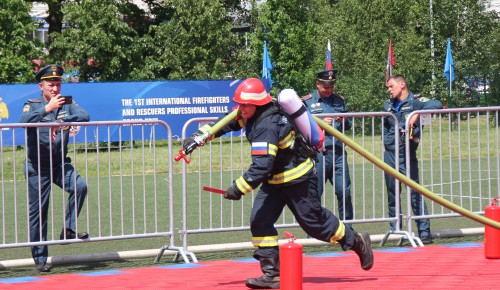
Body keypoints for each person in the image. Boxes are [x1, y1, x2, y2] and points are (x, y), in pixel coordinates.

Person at [182, 78, 373, 289]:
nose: (240, 109)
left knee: (314, 223)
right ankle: (272, 274)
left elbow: (261, 166)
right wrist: (198, 137)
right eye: (240, 104)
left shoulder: (267, 125)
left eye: (244, 104)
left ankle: (356, 241)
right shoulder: (251, 113)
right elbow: (226, 122)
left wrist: (238, 188)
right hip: (275, 180)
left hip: (298, 179)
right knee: (260, 221)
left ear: (257, 103)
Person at [19, 64, 90, 272]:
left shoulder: (67, 103)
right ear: (41, 86)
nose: (56, 88)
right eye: (51, 84)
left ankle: (68, 229)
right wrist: (46, 111)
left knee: (80, 186)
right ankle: (40, 259)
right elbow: (23, 121)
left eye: (58, 83)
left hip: (60, 164)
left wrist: (59, 120)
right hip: (37, 166)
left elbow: (85, 116)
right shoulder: (32, 105)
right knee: (39, 212)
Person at [383, 74, 443, 245]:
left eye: (391, 86)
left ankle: (424, 231)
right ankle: (396, 231)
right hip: (390, 153)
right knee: (392, 193)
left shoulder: (416, 101)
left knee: (414, 191)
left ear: (402, 85)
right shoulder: (388, 105)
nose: (389, 90)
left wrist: (419, 113)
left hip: (407, 153)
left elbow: (437, 104)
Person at [302, 69, 353, 224]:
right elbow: (301, 126)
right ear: (318, 84)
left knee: (343, 191)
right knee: (315, 193)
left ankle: (348, 228)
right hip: (317, 155)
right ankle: (315, 229)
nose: (329, 89)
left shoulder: (339, 101)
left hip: (338, 153)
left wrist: (343, 121)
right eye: (325, 86)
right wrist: (320, 124)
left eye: (331, 86)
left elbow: (348, 125)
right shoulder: (307, 102)